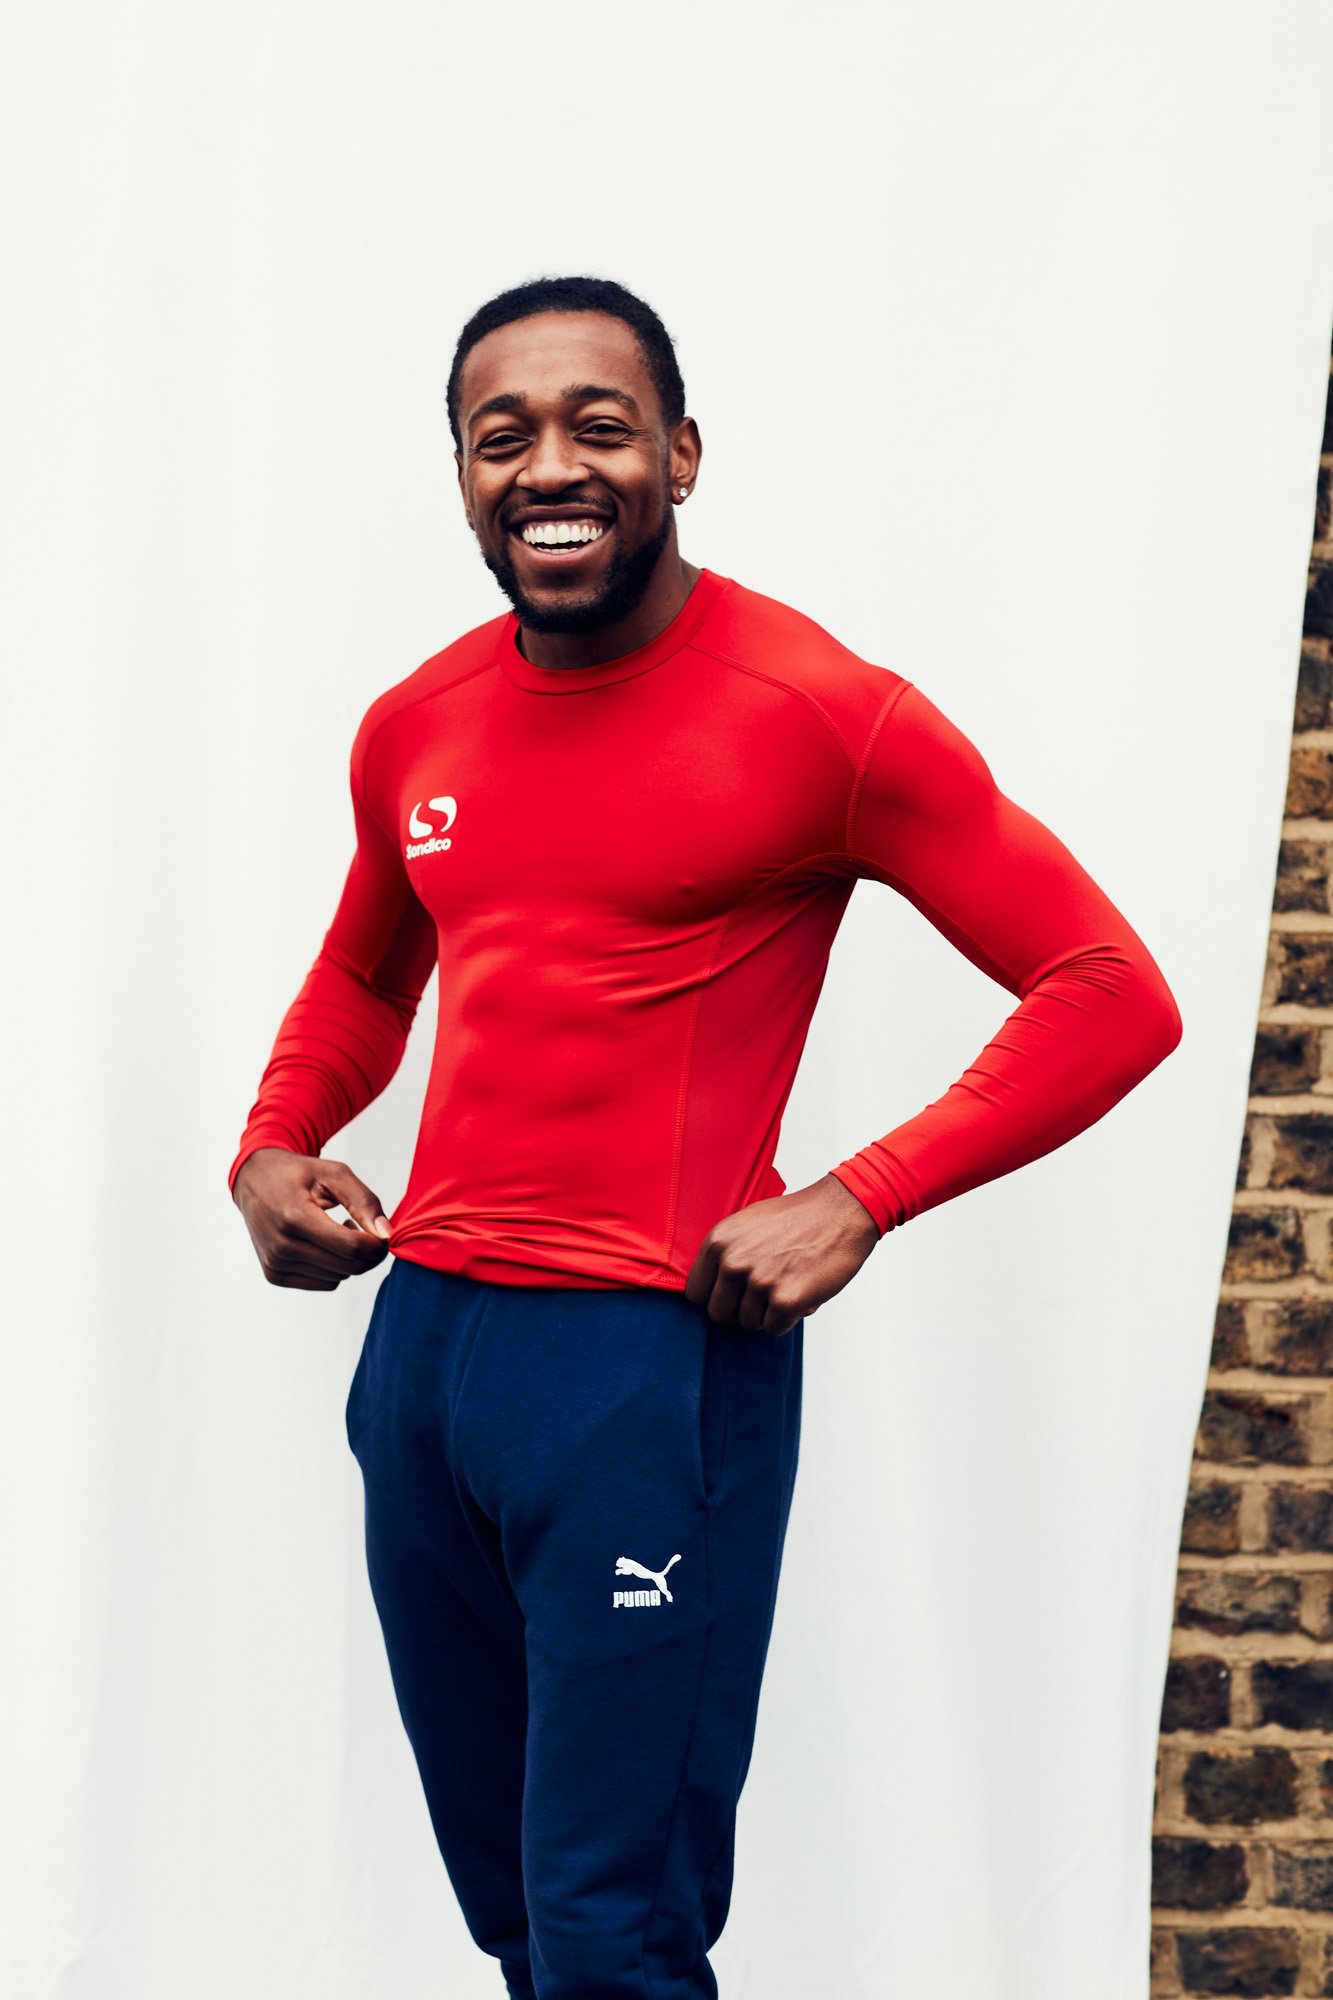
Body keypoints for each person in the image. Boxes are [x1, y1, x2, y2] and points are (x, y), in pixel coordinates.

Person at [228, 273, 1183, 2000]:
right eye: (497, 434)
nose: (547, 465)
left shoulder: (814, 708)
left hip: (644, 1373)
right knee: (513, 1914)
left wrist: (860, 1196)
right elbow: (366, 971)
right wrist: (271, 1144)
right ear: (457, 473)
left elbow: (1109, 990)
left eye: (597, 423)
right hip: (425, 1351)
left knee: (618, 1930)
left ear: (678, 450)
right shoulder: (417, 721)